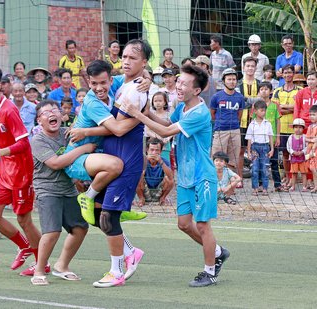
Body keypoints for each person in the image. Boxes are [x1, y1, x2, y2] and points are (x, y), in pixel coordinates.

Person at [125, 65, 230, 287]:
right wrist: (147, 112)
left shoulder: (200, 113)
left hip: (203, 177)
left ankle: (210, 272)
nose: (178, 86)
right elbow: (167, 123)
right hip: (186, 177)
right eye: (178, 81)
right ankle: (218, 252)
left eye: (183, 83)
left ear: (197, 90)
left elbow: (164, 133)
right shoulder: (182, 107)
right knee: (183, 224)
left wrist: (136, 114)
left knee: (202, 225)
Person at [66, 55, 152, 288]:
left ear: (109, 78)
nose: (99, 88)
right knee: (114, 172)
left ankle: (126, 256)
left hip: (101, 157)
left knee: (100, 217)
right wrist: (139, 118)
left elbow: (133, 77)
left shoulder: (116, 83)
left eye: (103, 83)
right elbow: (116, 129)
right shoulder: (93, 101)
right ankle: (89, 196)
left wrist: (148, 79)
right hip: (83, 158)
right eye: (93, 84)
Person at [0, 64, 41, 276]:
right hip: (4, 170)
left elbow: (24, 144)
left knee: (24, 220)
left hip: (21, 172)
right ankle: (24, 247)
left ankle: (42, 263)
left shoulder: (10, 109)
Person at [30, 100, 93, 285]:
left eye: (54, 110)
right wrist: (84, 149)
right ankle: (39, 271)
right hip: (47, 190)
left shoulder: (67, 134)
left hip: (68, 189)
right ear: (39, 121)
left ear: (61, 115)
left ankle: (62, 266)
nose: (51, 114)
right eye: (45, 112)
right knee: (52, 232)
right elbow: (56, 163)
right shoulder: (38, 140)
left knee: (80, 228)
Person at [210, 68, 245, 176]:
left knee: (233, 159)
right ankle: (216, 184)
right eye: (229, 79)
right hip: (220, 130)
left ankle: (229, 185)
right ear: (224, 81)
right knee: (217, 159)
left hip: (235, 130)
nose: (232, 81)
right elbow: (212, 114)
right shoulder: (216, 96)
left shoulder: (240, 97)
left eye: (234, 79)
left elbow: (240, 114)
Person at [272, 64, 302, 186]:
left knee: (295, 152)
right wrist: (291, 108)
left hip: (296, 127)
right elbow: (276, 108)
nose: (288, 75)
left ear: (293, 74)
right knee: (285, 153)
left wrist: (285, 107)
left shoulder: (300, 90)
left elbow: (299, 107)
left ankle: (295, 178)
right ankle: (288, 177)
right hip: (282, 126)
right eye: (285, 73)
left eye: (290, 72)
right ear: (282, 75)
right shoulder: (277, 91)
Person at [254, 81, 284, 192]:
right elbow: (252, 121)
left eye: (266, 89)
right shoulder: (256, 105)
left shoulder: (275, 105)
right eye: (261, 89)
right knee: (261, 162)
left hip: (272, 139)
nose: (264, 91)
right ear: (259, 91)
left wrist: (278, 136)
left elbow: (278, 121)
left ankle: (277, 184)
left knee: (274, 162)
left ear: (271, 91)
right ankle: (261, 184)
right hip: (259, 140)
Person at [238, 57, 262, 184]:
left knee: (257, 149)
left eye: (253, 66)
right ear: (243, 67)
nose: (250, 68)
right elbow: (240, 101)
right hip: (241, 121)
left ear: (256, 68)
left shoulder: (259, 83)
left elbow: (261, 101)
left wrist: (247, 100)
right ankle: (239, 178)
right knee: (241, 150)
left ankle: (257, 178)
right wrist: (252, 100)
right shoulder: (238, 84)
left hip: (256, 122)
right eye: (248, 66)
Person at [245, 100, 274, 195]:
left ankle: (265, 188)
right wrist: (249, 152)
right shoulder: (252, 124)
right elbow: (249, 139)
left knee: (265, 169)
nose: (263, 112)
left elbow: (270, 137)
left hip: (265, 147)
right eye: (261, 110)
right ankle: (255, 188)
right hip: (255, 148)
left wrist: (272, 149)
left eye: (264, 110)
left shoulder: (268, 124)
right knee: (254, 169)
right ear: (255, 111)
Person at [135, 138, 174, 207]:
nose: (154, 153)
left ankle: (162, 198)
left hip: (159, 190)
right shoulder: (142, 161)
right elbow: (138, 177)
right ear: (147, 150)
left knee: (169, 179)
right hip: (145, 189)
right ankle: (141, 199)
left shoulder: (164, 161)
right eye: (152, 150)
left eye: (157, 150)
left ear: (161, 151)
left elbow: (171, 177)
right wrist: (146, 161)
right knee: (136, 177)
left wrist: (160, 162)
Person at [287, 118, 308, 191]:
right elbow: (288, 147)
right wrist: (293, 152)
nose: (298, 129)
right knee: (294, 173)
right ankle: (293, 186)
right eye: (296, 127)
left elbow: (307, 146)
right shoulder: (290, 137)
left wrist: (302, 152)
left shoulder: (305, 137)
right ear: (293, 128)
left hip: (302, 158)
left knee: (304, 173)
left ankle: (304, 186)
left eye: (300, 127)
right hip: (294, 158)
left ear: (303, 128)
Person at [305, 105, 317, 193]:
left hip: (315, 150)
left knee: (314, 168)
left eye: (314, 114)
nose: (311, 116)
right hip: (311, 150)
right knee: (312, 168)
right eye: (310, 114)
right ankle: (316, 186)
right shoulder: (310, 127)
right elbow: (306, 138)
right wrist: (312, 140)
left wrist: (314, 142)